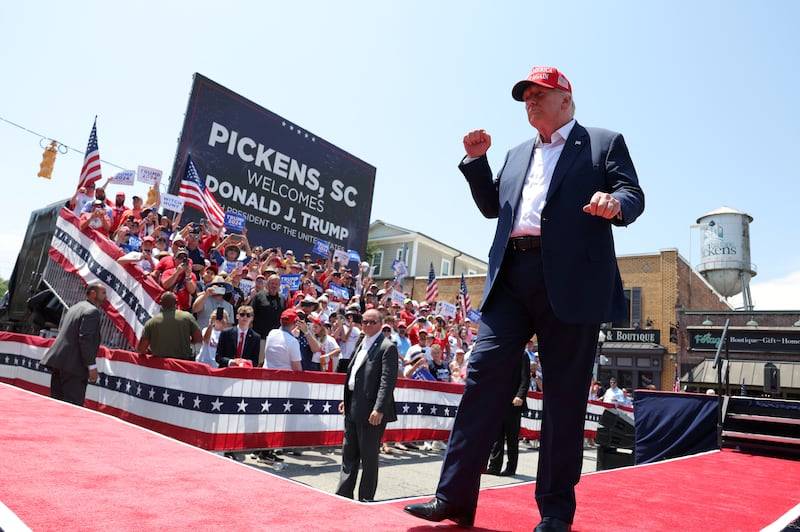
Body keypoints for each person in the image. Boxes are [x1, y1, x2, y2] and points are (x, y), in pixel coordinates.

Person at [405, 66, 644, 531]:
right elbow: (494, 207)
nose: (531, 101)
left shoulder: (602, 141)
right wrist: (476, 163)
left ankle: (555, 513)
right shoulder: (515, 154)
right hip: (512, 275)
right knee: (480, 383)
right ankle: (453, 498)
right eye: (526, 96)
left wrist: (617, 205)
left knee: (563, 399)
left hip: (572, 281)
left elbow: (631, 191)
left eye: (540, 93)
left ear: (566, 101)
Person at [335, 309, 398, 502]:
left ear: (380, 324)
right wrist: (346, 400)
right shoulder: (361, 343)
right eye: (365, 321)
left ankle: (366, 498)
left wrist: (379, 408)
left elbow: (387, 381)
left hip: (372, 410)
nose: (367, 325)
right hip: (354, 404)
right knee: (349, 452)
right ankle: (344, 494)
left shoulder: (387, 347)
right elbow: (354, 374)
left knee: (369, 458)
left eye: (372, 322)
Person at [40, 283, 107, 405]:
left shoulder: (75, 307)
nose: (106, 296)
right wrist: (91, 366)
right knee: (72, 408)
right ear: (93, 293)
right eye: (103, 293)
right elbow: (85, 339)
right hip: (73, 367)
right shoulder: (92, 312)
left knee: (57, 404)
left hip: (60, 363)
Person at [486, 351, 532, 477]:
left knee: (512, 438)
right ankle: (494, 466)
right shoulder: (500, 353)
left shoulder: (522, 355)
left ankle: (511, 468)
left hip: (513, 403)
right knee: (496, 436)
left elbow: (525, 378)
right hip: (498, 401)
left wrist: (520, 396)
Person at [137, 291, 202, 360]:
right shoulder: (187, 317)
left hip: (159, 365)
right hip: (182, 365)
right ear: (176, 302)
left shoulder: (151, 322)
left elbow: (141, 349)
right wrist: (186, 340)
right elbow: (199, 339)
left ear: (160, 303)